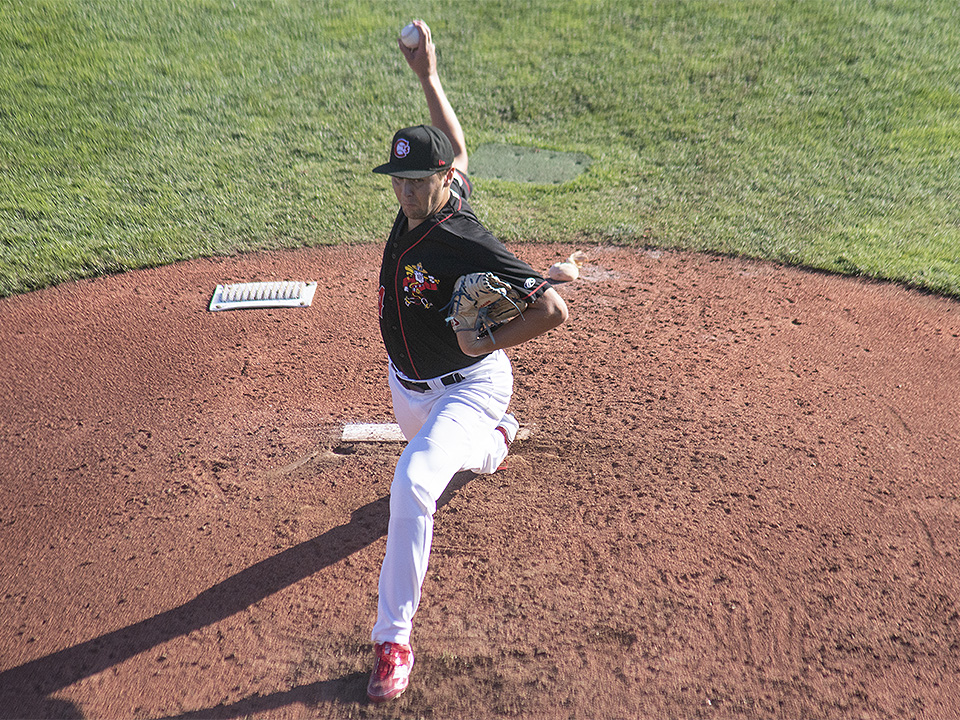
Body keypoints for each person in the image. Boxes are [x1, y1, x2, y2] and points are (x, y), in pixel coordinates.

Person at [366, 20, 569, 703]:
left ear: (439, 183)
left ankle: (393, 641)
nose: (401, 193)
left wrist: (486, 344)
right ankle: (496, 440)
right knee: (451, 455)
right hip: (409, 392)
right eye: (396, 181)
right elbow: (454, 146)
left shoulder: (468, 238)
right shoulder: (432, 190)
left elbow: (552, 310)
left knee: (415, 482)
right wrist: (427, 76)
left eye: (411, 182)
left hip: (471, 384)